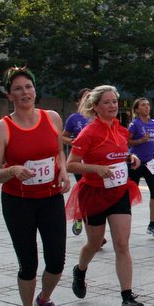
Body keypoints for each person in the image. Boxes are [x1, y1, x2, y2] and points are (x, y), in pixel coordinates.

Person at [0, 67, 71, 306]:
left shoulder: (52, 117)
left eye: (28, 87)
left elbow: (58, 151)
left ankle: (44, 300)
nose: (25, 92)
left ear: (35, 90)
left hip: (50, 198)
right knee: (28, 263)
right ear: (9, 95)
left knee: (56, 261)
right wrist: (12, 170)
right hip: (18, 202)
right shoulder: (2, 127)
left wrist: (63, 171)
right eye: (18, 89)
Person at [65, 85, 145, 306]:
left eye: (115, 102)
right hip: (94, 193)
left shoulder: (121, 130)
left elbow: (119, 153)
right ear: (96, 107)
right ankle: (80, 270)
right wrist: (95, 169)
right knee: (94, 242)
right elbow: (71, 164)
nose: (112, 106)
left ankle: (127, 298)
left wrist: (131, 157)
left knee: (122, 244)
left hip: (119, 191)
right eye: (107, 102)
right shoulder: (88, 132)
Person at [127, 98, 154, 237]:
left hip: (150, 162)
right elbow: (126, 141)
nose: (147, 107)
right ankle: (124, 222)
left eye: (148, 105)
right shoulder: (134, 124)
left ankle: (152, 224)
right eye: (143, 105)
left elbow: (152, 139)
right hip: (135, 163)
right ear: (137, 109)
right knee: (130, 194)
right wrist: (140, 141)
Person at [63, 88, 92, 236]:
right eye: (86, 97)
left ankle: (90, 223)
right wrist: (73, 141)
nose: (88, 100)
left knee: (94, 193)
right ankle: (81, 218)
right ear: (79, 101)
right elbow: (63, 137)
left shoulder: (98, 116)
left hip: (95, 161)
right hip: (79, 161)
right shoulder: (73, 118)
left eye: (91, 97)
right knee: (84, 191)